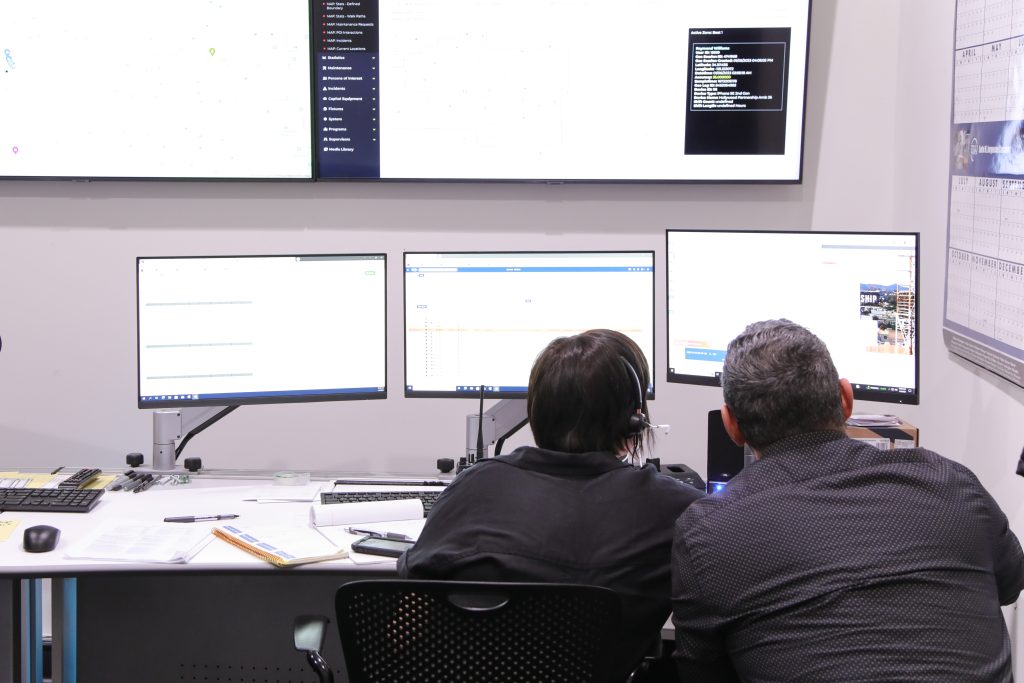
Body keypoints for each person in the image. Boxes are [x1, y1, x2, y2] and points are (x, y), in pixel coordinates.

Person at [670, 319, 1024, 682]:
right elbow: (1011, 582)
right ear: (846, 398)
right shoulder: (950, 482)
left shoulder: (708, 533)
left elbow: (702, 670)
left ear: (731, 425)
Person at [399, 328, 704, 680]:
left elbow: (405, 621)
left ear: (536, 412)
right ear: (634, 421)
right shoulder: (678, 510)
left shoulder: (472, 485)